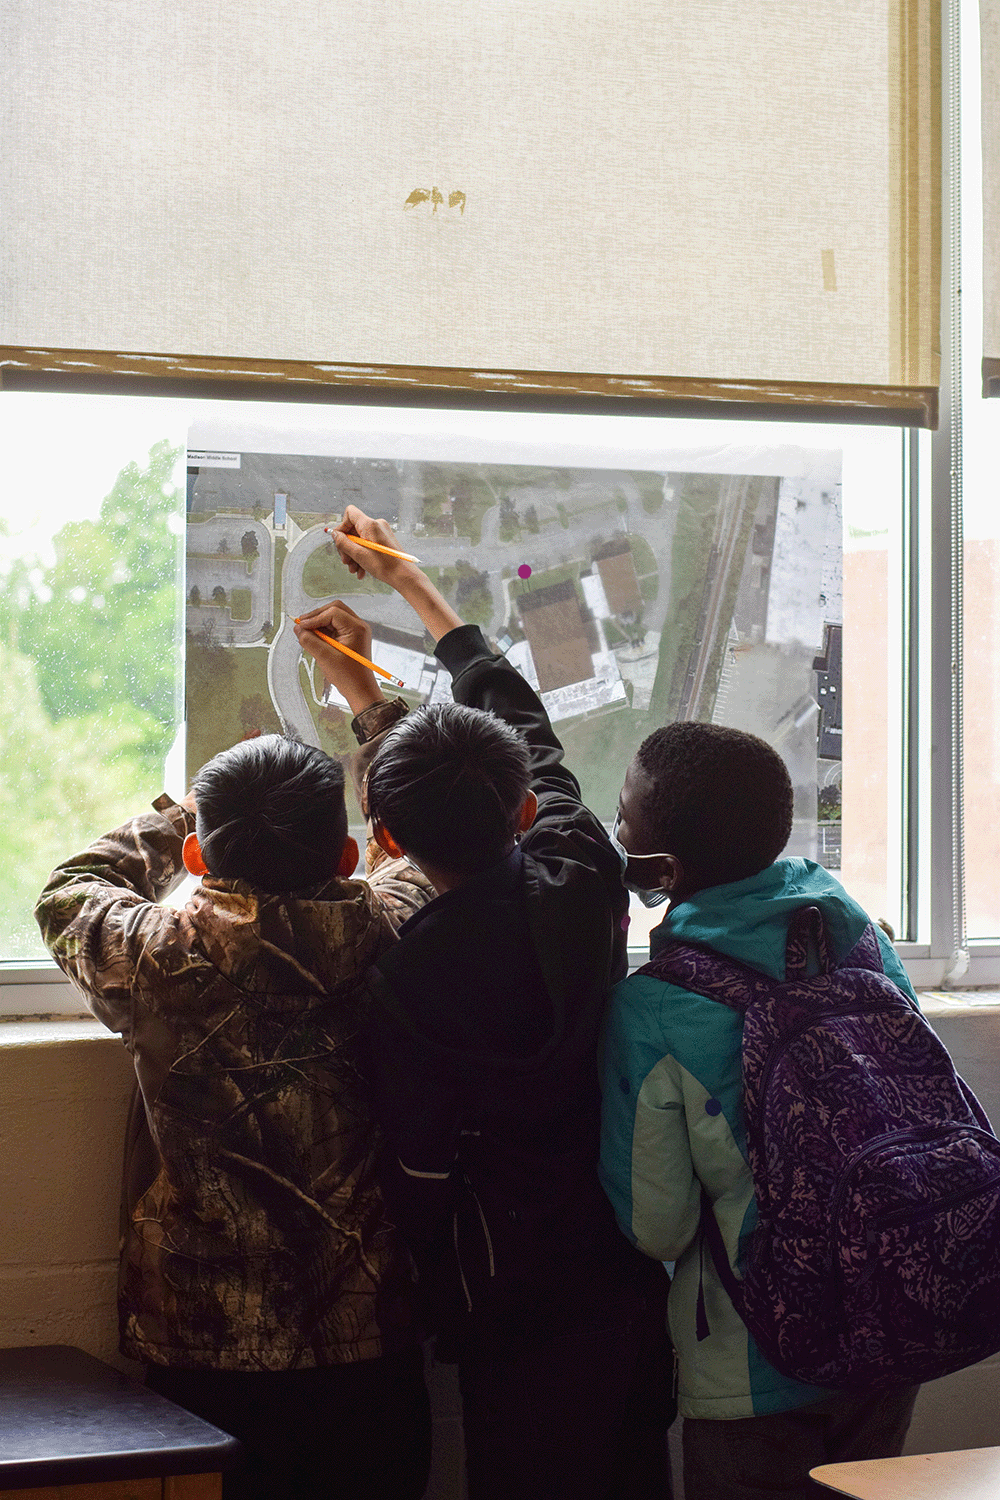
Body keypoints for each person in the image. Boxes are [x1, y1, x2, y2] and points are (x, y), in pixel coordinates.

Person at [293, 505, 674, 1500]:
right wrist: (409, 585)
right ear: (524, 811)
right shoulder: (583, 873)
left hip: (505, 1290)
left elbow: (418, 1162)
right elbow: (524, 728)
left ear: (384, 841)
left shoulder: (406, 972)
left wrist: (364, 698)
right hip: (625, 1260)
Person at [34, 734, 435, 1500]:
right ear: (349, 856)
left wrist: (182, 811)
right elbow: (428, 839)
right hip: (368, 1341)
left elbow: (71, 886)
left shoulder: (155, 954)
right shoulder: (397, 926)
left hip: (203, 1349)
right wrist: (380, 721)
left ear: (196, 856)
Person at [598, 721, 921, 1500]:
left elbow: (658, 1224)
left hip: (751, 1360)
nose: (616, 830)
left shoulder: (654, 1009)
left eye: (624, 816)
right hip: (894, 1318)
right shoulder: (862, 941)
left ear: (664, 869)